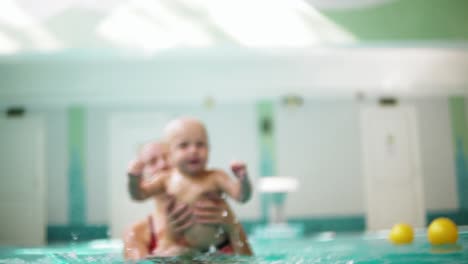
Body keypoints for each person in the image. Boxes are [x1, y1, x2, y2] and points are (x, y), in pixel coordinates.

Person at [127, 117, 252, 256]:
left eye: (200, 144)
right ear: (172, 153)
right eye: (152, 161)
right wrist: (133, 179)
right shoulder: (138, 233)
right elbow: (138, 194)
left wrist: (243, 180)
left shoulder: (216, 179)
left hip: (215, 254)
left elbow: (241, 196)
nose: (193, 150)